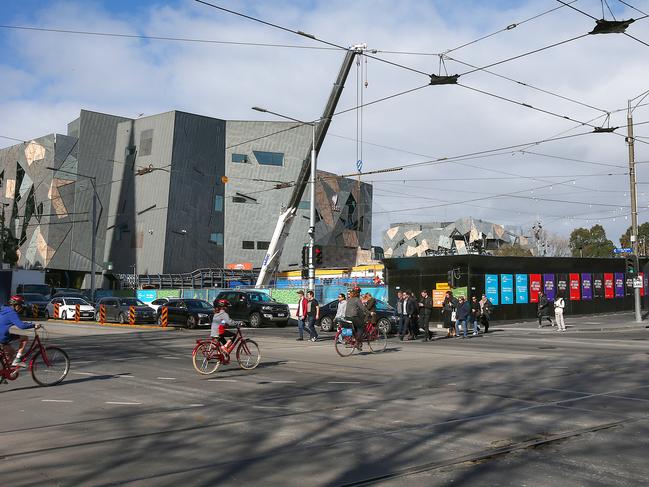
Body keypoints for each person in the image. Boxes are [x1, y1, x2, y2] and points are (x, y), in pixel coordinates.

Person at [0, 296, 37, 367]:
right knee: (24, 338)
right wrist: (33, 325)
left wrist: (29, 324)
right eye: (20, 305)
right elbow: (22, 326)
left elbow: (18, 322)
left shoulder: (5, 309)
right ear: (16, 305)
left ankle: (4, 371)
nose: (21, 308)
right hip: (2, 337)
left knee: (11, 352)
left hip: (2, 335)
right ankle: (17, 359)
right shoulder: (12, 313)